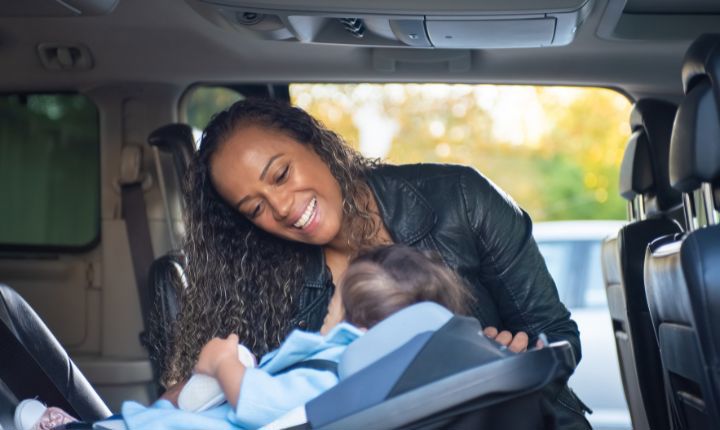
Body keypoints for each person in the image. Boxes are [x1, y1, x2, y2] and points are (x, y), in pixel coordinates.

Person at [164, 98, 590, 429]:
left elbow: (558, 335)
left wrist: (516, 354)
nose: (281, 207)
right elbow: (228, 390)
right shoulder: (264, 277)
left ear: (312, 141)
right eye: (255, 208)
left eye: (281, 175)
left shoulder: (462, 199)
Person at [14, 245, 473, 430]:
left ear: (354, 316)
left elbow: (262, 404)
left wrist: (222, 364)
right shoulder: (376, 377)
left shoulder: (341, 374)